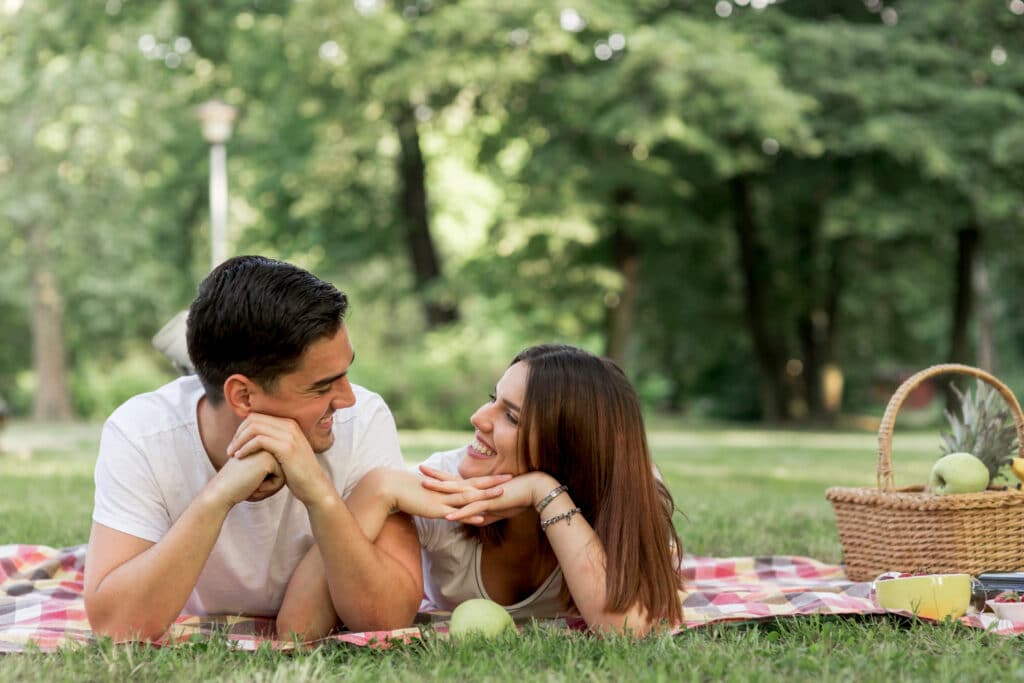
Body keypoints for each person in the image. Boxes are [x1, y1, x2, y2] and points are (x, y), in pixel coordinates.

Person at [84, 255, 422, 642]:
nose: (347, 398)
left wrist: (319, 494)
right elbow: (115, 626)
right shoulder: (141, 433)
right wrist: (219, 495)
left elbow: (389, 616)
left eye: (346, 374)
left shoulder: (363, 422)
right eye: (322, 386)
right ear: (243, 395)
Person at [336, 344, 684, 636]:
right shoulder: (439, 486)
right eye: (493, 399)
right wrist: (377, 488)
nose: (478, 417)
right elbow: (331, 607)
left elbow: (625, 629)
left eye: (512, 417)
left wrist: (543, 491)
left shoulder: (627, 487)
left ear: (568, 446)